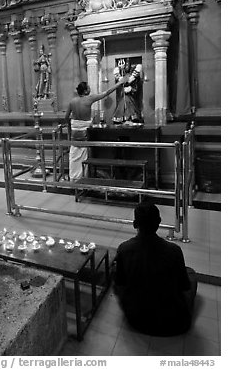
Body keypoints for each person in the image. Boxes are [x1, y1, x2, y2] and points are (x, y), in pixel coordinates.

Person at [114, 202, 197, 336]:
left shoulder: (124, 249)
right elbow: (184, 286)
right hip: (173, 323)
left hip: (136, 319)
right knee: (191, 275)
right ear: (158, 222)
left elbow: (119, 284)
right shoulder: (174, 251)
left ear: (135, 224)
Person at [65, 79, 126, 181]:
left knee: (74, 156)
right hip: (85, 133)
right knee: (85, 156)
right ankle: (84, 179)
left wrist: (71, 127)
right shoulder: (89, 99)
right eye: (88, 88)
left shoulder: (72, 101)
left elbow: (66, 117)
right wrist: (118, 84)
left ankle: (74, 179)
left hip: (74, 133)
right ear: (85, 91)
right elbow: (106, 93)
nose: (90, 89)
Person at [113, 59, 142, 124]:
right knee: (122, 104)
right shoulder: (121, 74)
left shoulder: (132, 76)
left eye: (128, 65)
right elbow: (119, 84)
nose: (126, 66)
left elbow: (136, 87)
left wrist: (131, 88)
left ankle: (132, 118)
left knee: (130, 105)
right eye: (125, 65)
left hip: (130, 96)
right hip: (122, 95)